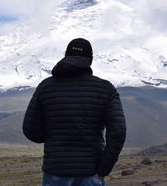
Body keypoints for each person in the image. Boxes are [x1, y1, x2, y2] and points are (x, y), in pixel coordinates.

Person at [23, 38, 126, 186]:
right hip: (91, 172)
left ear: (65, 56)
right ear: (90, 59)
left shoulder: (46, 87)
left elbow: (30, 130)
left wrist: (55, 137)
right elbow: (118, 132)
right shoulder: (105, 89)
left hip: (55, 171)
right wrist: (104, 169)